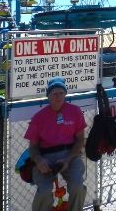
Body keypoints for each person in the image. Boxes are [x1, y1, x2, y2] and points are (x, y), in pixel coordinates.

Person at [25, 77, 86, 211]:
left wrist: (67, 160)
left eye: (61, 93)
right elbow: (33, 147)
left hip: (70, 155)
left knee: (77, 186)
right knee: (45, 191)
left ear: (65, 94)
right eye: (54, 94)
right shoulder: (38, 117)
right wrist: (39, 160)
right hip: (46, 157)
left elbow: (80, 139)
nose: (58, 97)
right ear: (48, 96)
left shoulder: (75, 111)